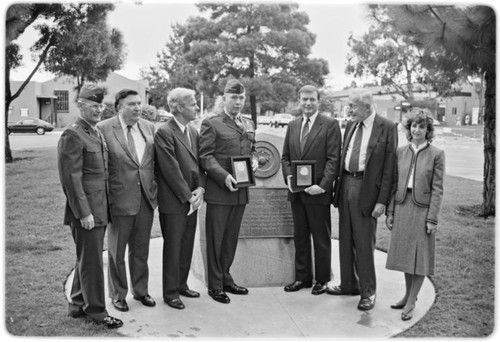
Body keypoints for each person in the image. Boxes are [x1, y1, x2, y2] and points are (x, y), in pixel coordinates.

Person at [57, 84, 123, 329]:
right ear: (81, 105)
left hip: (99, 208)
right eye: (94, 105)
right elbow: (71, 180)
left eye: (101, 105)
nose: (99, 109)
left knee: (87, 258)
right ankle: (97, 311)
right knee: (93, 261)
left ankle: (77, 305)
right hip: (87, 212)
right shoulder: (72, 134)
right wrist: (84, 212)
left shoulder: (94, 132)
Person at [329, 90, 398, 311]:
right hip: (346, 185)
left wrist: (382, 201)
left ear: (367, 107)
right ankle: (349, 284)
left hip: (366, 190)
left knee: (364, 243)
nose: (348, 110)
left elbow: (389, 169)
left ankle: (368, 292)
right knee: (346, 239)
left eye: (353, 106)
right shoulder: (351, 125)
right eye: (348, 105)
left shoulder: (386, 127)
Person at [97, 89, 157, 312]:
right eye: (131, 104)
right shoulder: (103, 129)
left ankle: (141, 291)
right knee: (117, 252)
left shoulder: (148, 127)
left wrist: (155, 190)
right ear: (119, 107)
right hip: (119, 199)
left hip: (146, 200)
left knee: (141, 250)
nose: (137, 108)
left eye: (139, 103)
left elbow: (152, 163)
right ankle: (118, 294)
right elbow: (99, 167)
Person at [199, 79, 258, 304]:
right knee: (216, 239)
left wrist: (255, 162)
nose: (238, 102)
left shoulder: (248, 123)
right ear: (224, 98)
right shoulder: (212, 123)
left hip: (241, 192)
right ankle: (214, 285)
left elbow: (253, 150)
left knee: (231, 238)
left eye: (241, 97)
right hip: (220, 191)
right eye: (233, 97)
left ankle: (226, 277)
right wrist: (224, 176)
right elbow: (205, 156)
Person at [281, 85, 342, 295]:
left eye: (312, 99)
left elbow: (334, 160)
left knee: (321, 238)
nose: (308, 103)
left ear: (318, 101)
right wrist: (288, 176)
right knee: (300, 237)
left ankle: (322, 279)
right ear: (299, 101)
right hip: (296, 192)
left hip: (318, 192)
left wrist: (323, 186)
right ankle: (302, 278)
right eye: (304, 99)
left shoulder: (330, 125)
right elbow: (285, 157)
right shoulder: (293, 125)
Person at [385, 108, 445, 321]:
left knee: (419, 257)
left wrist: (432, 219)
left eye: (422, 126)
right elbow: (393, 183)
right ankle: (407, 295)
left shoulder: (437, 154)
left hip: (422, 210)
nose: (417, 130)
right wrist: (390, 211)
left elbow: (438, 189)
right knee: (405, 255)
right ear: (408, 128)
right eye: (413, 126)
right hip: (402, 206)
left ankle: (412, 301)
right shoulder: (400, 151)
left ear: (428, 130)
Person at [154, 88, 206, 310]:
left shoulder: (193, 132)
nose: (197, 107)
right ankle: (170, 292)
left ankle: (182, 284)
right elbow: (170, 170)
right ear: (178, 107)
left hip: (192, 199)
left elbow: (200, 165)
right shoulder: (165, 132)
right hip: (175, 202)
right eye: (193, 103)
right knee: (174, 247)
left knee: (186, 245)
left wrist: (201, 189)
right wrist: (189, 197)